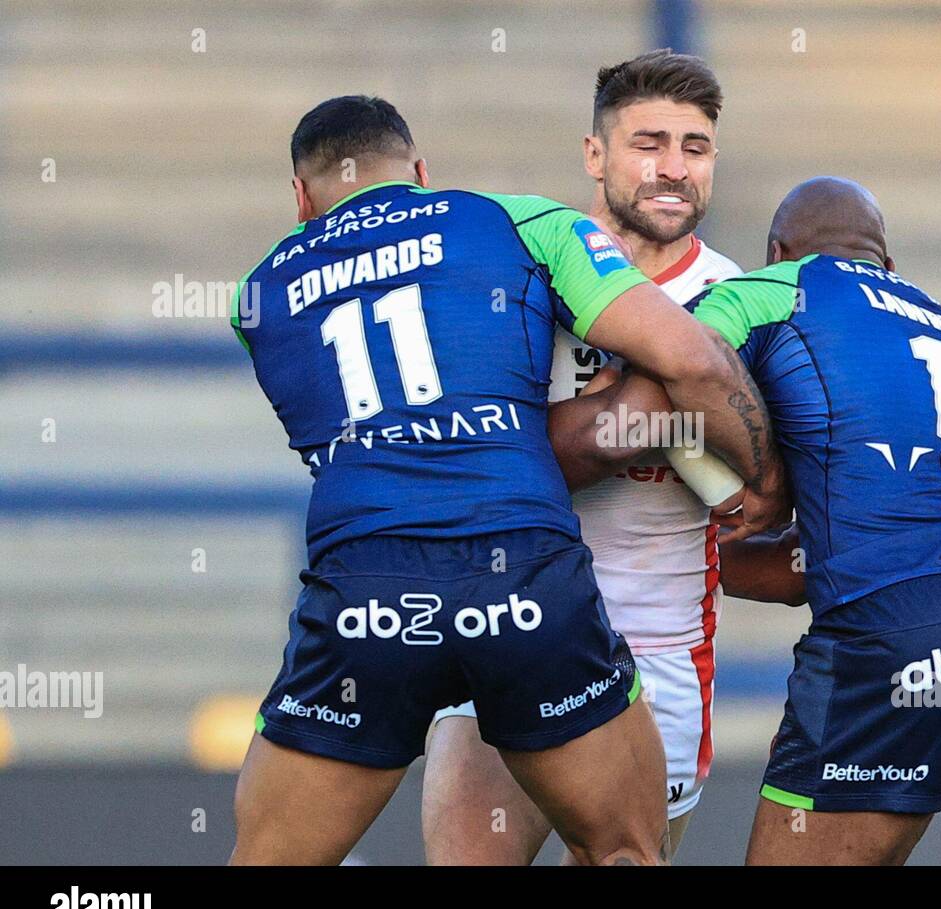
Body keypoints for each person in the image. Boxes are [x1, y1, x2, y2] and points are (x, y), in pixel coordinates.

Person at [226, 95, 781, 865]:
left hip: (369, 585)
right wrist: (756, 477)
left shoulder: (258, 293)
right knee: (624, 851)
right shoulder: (514, 221)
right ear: (421, 174)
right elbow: (690, 362)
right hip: (522, 573)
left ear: (300, 201)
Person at [423, 49, 747, 865]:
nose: (674, 168)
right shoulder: (524, 277)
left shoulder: (738, 299)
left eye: (695, 147)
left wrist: (628, 425)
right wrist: (663, 415)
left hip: (659, 649)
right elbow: (498, 456)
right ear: (595, 156)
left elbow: (757, 496)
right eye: (649, 143)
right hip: (511, 625)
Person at [691, 176, 941, 864]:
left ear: (777, 251)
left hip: (893, 632)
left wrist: (757, 480)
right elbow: (892, 533)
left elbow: (679, 357)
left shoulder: (774, 289)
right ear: (888, 265)